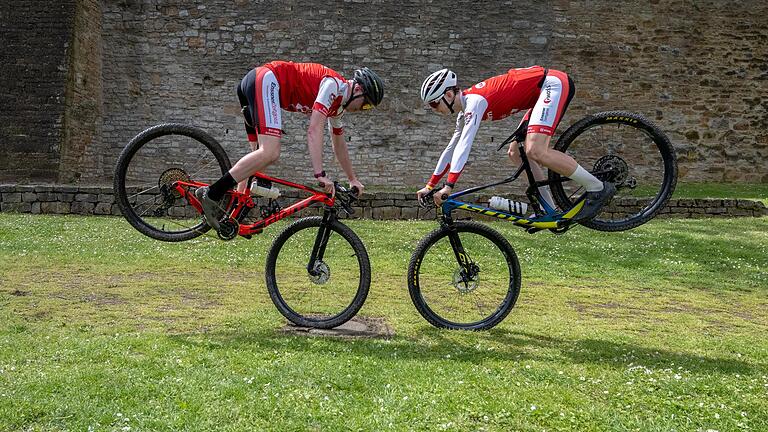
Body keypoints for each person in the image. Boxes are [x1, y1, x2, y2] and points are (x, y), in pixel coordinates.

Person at [196, 61, 384, 230]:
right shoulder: (333, 85)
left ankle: (231, 215)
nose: (362, 110)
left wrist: (352, 179)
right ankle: (212, 194)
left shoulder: (338, 107)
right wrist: (320, 174)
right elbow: (314, 128)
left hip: (258, 82)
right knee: (270, 152)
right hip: (267, 80)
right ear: (358, 89)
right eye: (366, 105)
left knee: (257, 159)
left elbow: (339, 142)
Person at [415, 66, 615, 221]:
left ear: (448, 95)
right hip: (539, 94)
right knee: (516, 153)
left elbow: (465, 146)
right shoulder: (464, 113)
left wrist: (449, 186)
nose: (434, 109)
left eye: (434, 103)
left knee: (536, 150)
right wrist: (430, 185)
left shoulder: (474, 103)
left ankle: (596, 187)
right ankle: (550, 209)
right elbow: (452, 149)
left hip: (552, 84)